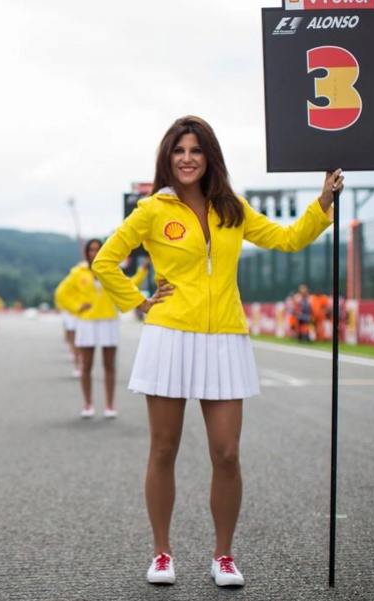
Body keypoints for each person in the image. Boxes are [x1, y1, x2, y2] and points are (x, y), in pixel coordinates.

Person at [92, 115, 343, 587]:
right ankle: (162, 553)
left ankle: (223, 556)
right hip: (169, 336)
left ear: (209, 157)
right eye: (179, 151)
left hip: (226, 336)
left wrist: (322, 204)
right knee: (163, 449)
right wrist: (139, 302)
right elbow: (105, 260)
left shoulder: (232, 208)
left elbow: (287, 240)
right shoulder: (151, 210)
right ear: (168, 158)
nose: (187, 159)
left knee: (227, 453)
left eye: (196, 150)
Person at [55, 240, 149, 419]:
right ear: (87, 253)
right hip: (87, 322)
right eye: (91, 250)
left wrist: (143, 268)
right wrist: (76, 307)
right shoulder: (78, 273)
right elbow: (60, 293)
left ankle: (109, 405)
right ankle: (88, 404)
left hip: (108, 321)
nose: (95, 253)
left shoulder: (110, 270)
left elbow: (129, 284)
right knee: (87, 365)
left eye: (98, 250)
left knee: (109, 365)